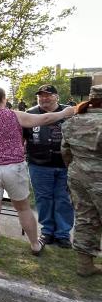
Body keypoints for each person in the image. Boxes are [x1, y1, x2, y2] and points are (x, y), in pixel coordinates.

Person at [0, 86, 74, 263]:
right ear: (4, 99)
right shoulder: (15, 115)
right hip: (14, 167)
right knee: (23, 208)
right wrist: (64, 113)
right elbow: (44, 118)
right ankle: (35, 245)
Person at [23, 84, 74, 248]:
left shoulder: (69, 113)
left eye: (48, 95)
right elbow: (22, 138)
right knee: (43, 199)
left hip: (66, 165)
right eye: (41, 95)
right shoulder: (30, 114)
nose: (44, 98)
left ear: (56, 96)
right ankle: (47, 232)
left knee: (64, 199)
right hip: (39, 165)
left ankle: (63, 234)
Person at [61, 85, 102, 277]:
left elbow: (65, 152)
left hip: (77, 175)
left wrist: (75, 167)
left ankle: (85, 265)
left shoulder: (72, 122)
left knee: (85, 218)